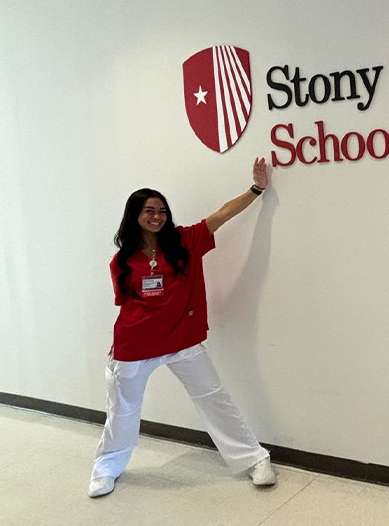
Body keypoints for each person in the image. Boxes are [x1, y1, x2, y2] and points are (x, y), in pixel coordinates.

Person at [88, 158, 277, 498]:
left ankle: (254, 459)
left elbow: (221, 215)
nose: (157, 215)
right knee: (123, 411)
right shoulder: (122, 260)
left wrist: (256, 189)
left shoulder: (185, 240)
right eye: (149, 210)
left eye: (161, 210)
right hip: (135, 346)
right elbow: (127, 304)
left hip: (182, 341)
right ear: (135, 215)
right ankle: (105, 469)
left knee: (215, 399)